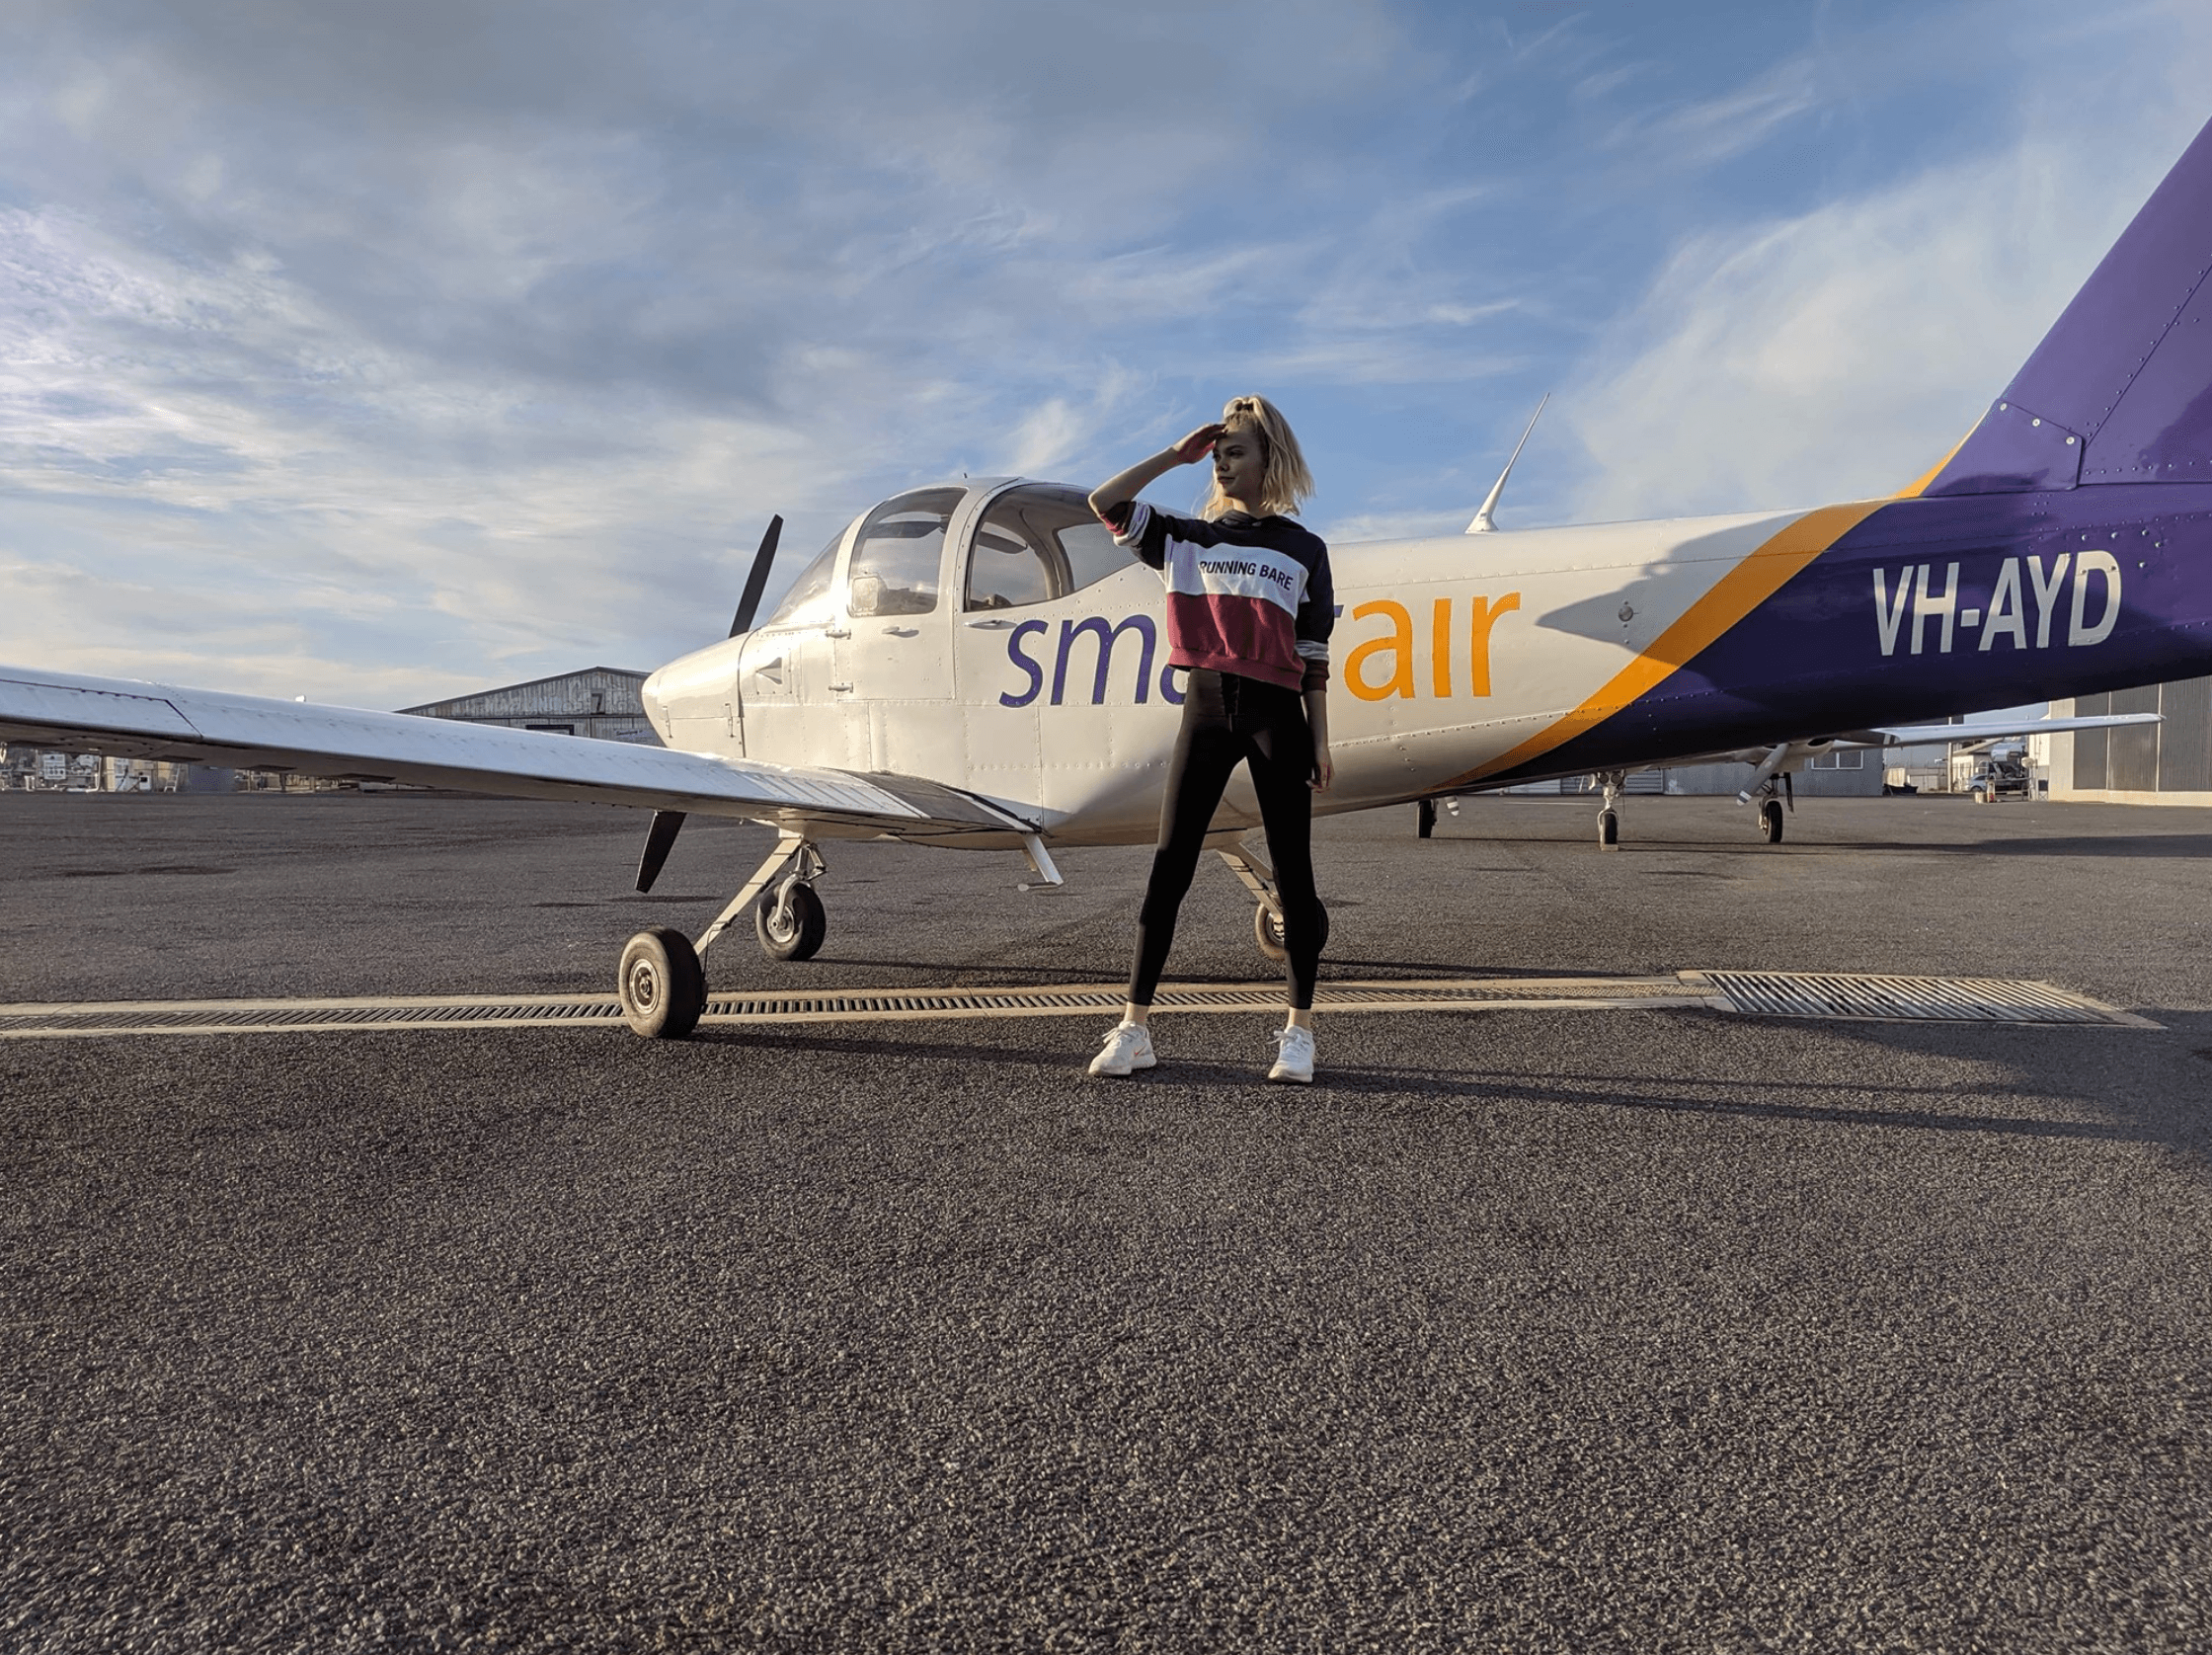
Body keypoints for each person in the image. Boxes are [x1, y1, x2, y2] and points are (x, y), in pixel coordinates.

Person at [1084, 395, 1333, 1084]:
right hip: (1204, 707)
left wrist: (1320, 740)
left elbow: (1313, 654)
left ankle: (1299, 1034)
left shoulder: (1304, 549)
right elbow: (1103, 502)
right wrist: (1175, 454)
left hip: (1277, 713)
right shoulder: (1183, 537)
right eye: (1218, 453)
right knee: (1170, 867)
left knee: (1294, 872)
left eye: (1236, 451)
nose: (1223, 463)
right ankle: (1135, 1028)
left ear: (1267, 460)